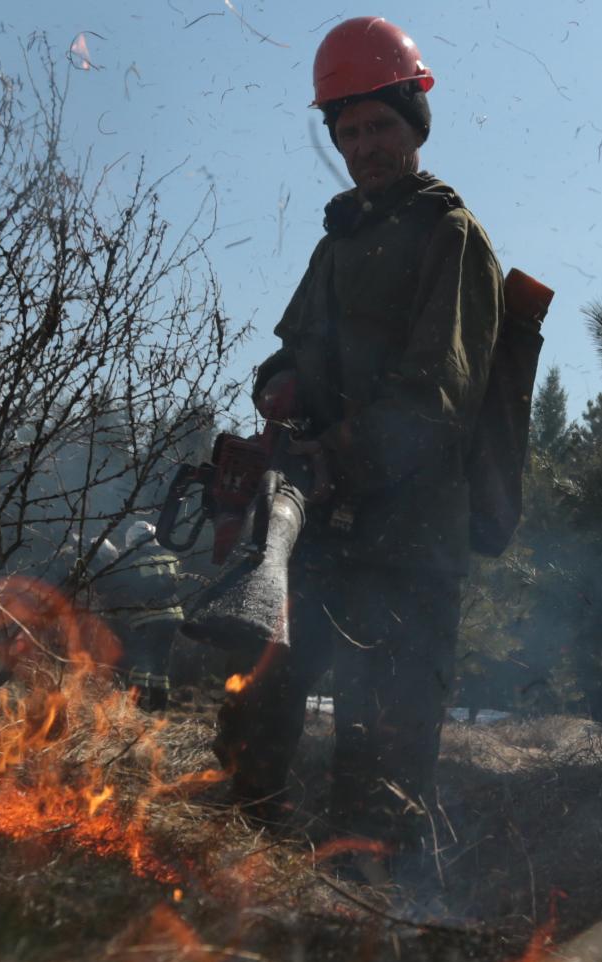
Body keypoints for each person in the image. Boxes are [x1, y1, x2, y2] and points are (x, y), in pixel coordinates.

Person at [210, 16, 502, 864]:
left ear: (414, 124)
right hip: (325, 529)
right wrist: (280, 387)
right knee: (260, 697)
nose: (365, 144)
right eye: (349, 130)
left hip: (409, 539)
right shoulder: (339, 242)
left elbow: (437, 393)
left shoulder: (449, 236)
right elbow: (294, 352)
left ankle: (362, 918)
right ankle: (243, 870)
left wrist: (339, 453)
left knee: (382, 749)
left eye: (380, 125)